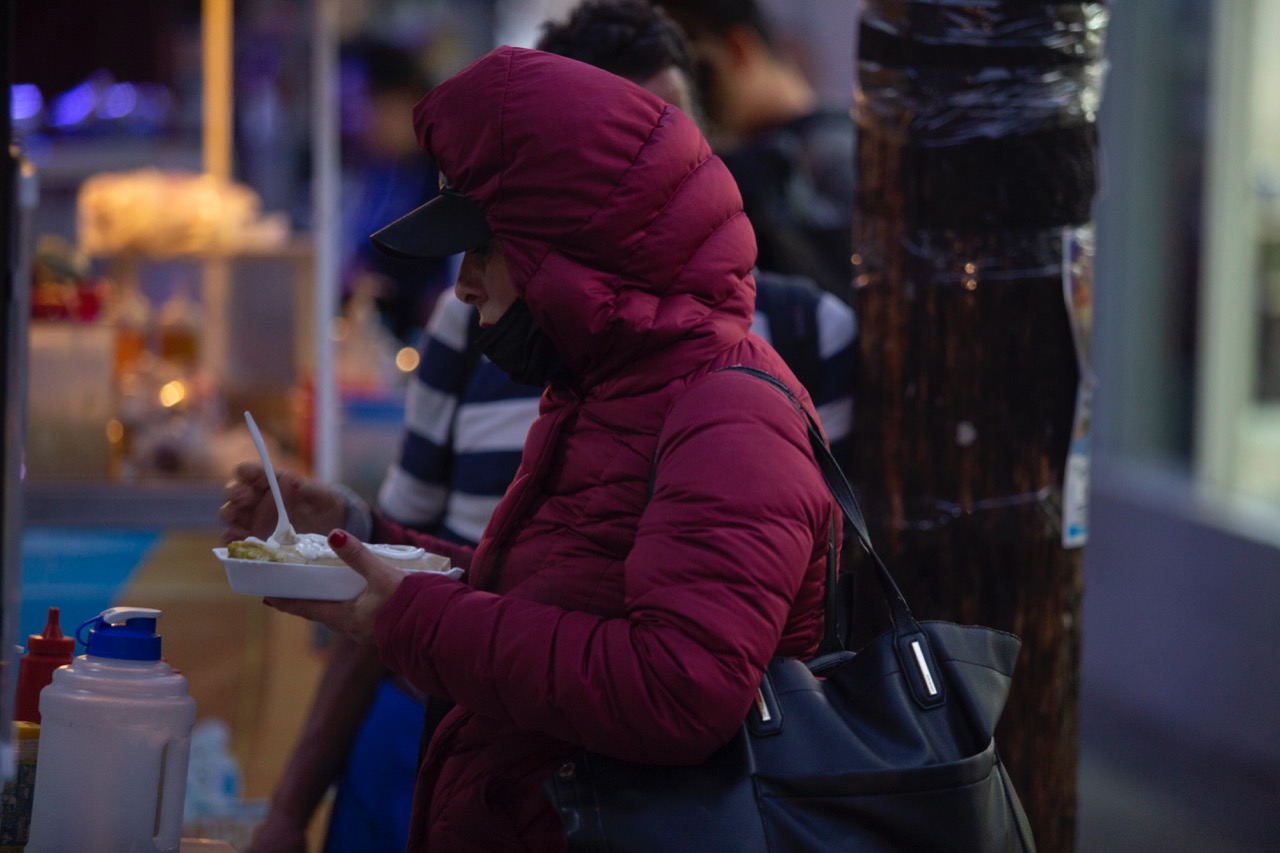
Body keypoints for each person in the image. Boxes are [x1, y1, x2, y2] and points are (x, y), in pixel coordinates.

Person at [234, 6, 854, 849]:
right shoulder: (605, 385)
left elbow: (677, 688)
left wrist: (413, 619)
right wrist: (367, 540)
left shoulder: (728, 412)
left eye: (482, 248)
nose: (461, 286)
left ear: (565, 246)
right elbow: (550, 604)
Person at [656, 0, 857, 302]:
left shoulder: (829, 154)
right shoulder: (810, 146)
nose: (686, 96)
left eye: (696, 70)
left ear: (737, 51)